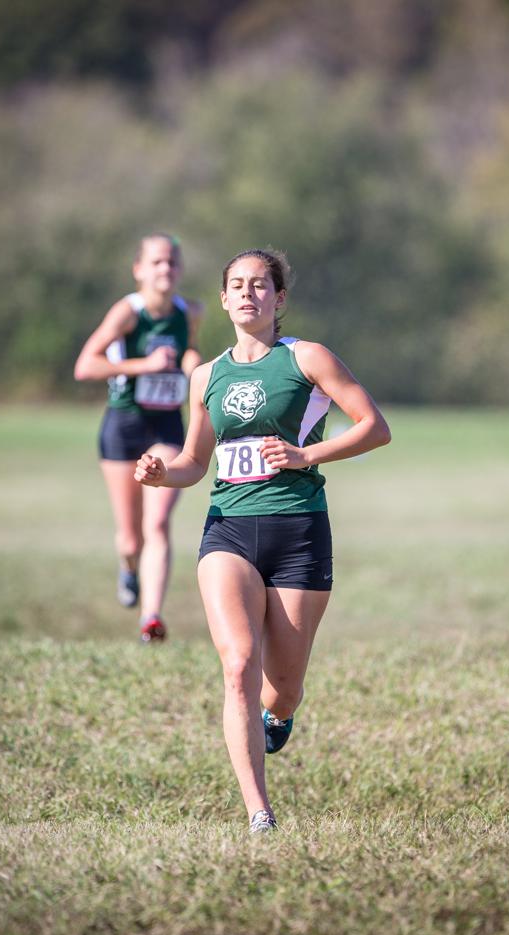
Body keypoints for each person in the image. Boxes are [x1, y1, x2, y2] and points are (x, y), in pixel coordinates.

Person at [134, 247, 390, 833]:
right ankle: (260, 814)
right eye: (237, 285)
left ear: (278, 299)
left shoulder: (307, 358)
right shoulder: (207, 375)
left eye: (260, 285)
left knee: (284, 688)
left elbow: (375, 426)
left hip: (299, 532)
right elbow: (195, 461)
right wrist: (160, 473)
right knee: (238, 664)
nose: (248, 293)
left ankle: (279, 717)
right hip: (227, 528)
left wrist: (308, 454)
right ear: (223, 299)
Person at [74, 233, 203, 642]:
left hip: (166, 427)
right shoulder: (127, 314)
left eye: (172, 262)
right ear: (139, 270)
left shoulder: (190, 312)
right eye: (157, 262)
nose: (165, 269)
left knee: (158, 522)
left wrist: (193, 367)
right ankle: (128, 568)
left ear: (180, 270)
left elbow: (190, 350)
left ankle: (151, 616)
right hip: (123, 426)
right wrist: (143, 365)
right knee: (131, 536)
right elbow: (85, 366)